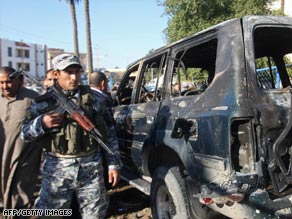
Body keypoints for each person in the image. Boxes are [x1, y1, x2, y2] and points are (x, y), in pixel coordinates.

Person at [21, 54, 121, 219]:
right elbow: (24, 134)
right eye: (68, 72)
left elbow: (109, 133)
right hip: (57, 169)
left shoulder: (93, 99)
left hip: (91, 167)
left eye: (77, 72)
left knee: (95, 214)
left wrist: (113, 164)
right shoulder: (43, 102)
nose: (74, 77)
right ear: (56, 73)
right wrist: (41, 123)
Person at [0, 67, 42, 212]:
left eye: (9, 82)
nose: (5, 86)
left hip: (25, 154)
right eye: (1, 83)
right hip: (2, 152)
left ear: (19, 80)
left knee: (21, 186)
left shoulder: (32, 98)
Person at [89, 71, 122, 189]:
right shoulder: (101, 100)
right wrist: (114, 164)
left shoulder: (83, 98)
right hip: (99, 153)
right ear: (103, 83)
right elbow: (110, 133)